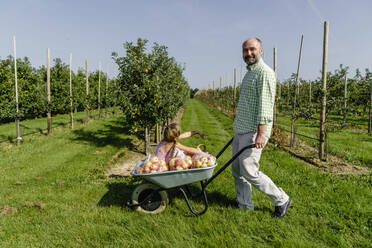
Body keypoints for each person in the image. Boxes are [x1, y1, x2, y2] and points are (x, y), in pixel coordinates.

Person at [232, 38, 292, 218]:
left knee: (249, 169)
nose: (248, 53)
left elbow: (265, 106)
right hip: (242, 129)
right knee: (237, 170)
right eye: (245, 50)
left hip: (254, 131)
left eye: (252, 49)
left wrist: (262, 133)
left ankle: (281, 198)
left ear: (261, 50)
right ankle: (244, 205)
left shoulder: (264, 73)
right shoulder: (250, 72)